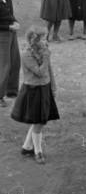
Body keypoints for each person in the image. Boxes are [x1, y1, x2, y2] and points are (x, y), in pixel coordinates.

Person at [11, 26, 59, 164]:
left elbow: (49, 70)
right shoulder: (26, 54)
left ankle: (27, 147)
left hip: (44, 89)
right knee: (39, 122)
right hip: (33, 91)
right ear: (35, 40)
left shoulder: (44, 51)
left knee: (39, 120)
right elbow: (40, 72)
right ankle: (38, 152)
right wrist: (46, 56)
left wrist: (53, 87)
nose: (46, 40)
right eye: (43, 38)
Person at [0, 0, 20, 107]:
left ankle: (11, 90)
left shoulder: (8, 0)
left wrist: (15, 22)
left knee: (15, 61)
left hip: (12, 34)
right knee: (4, 65)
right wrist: (8, 27)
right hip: (2, 35)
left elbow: (11, 15)